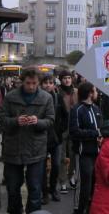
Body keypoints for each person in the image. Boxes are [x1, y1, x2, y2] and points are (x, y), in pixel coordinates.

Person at [0, 67, 55, 214]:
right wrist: (16, 121)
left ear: (38, 82)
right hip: (13, 148)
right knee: (13, 187)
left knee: (35, 187)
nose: (31, 86)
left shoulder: (46, 98)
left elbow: (50, 121)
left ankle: (33, 212)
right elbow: (2, 120)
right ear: (22, 81)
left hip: (36, 149)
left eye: (34, 83)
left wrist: (37, 122)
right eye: (28, 83)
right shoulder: (10, 97)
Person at [69, 82, 103, 214]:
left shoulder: (96, 108)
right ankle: (78, 209)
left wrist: (101, 135)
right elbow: (75, 132)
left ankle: (91, 209)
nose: (97, 93)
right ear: (90, 93)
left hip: (97, 152)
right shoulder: (77, 109)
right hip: (83, 153)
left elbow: (101, 128)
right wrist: (96, 133)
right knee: (84, 185)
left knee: (95, 184)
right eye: (95, 91)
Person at [40, 74, 64, 203]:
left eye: (50, 82)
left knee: (56, 165)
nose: (48, 85)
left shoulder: (58, 97)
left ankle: (53, 188)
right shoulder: (37, 98)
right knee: (42, 167)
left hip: (56, 138)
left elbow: (65, 115)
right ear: (41, 84)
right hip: (42, 138)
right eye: (45, 82)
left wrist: (60, 129)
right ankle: (44, 192)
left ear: (54, 85)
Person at [57, 70, 78, 193]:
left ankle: (71, 177)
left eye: (69, 77)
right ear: (61, 79)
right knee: (61, 156)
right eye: (64, 78)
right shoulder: (57, 92)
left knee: (74, 155)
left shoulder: (76, 92)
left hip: (74, 128)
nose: (67, 80)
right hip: (62, 128)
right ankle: (63, 181)